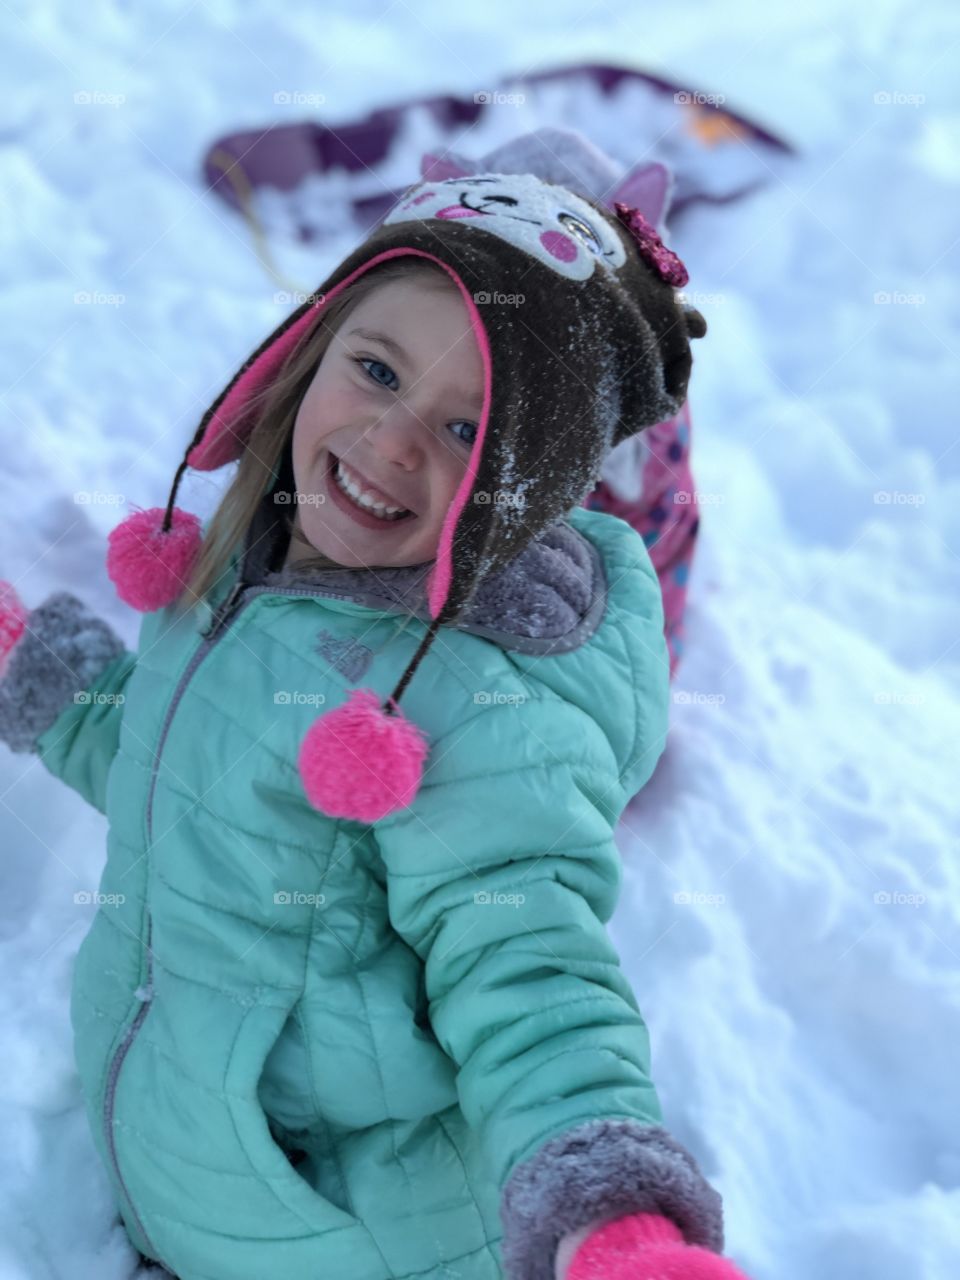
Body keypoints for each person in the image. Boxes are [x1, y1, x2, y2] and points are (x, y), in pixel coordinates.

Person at [0, 172, 748, 1280]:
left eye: (465, 427)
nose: (394, 442)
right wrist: (36, 669)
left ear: (528, 481)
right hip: (206, 1191)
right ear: (309, 346)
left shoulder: (483, 710)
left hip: (349, 1243)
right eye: (377, 369)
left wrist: (615, 1214)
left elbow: (534, 981)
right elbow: (190, 780)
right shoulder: (257, 553)